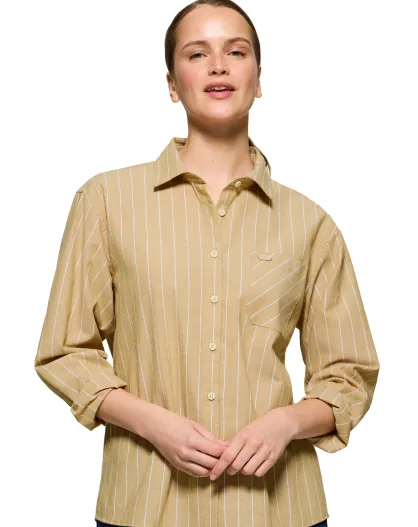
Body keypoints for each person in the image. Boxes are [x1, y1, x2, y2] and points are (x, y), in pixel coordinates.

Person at [34, 1, 380, 526]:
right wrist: (151, 423)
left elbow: (349, 375)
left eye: (236, 52)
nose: (218, 65)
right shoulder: (106, 201)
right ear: (173, 84)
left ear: (258, 79)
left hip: (279, 511)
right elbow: (64, 351)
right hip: (144, 506)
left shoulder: (310, 224)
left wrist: (286, 423)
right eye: (197, 54)